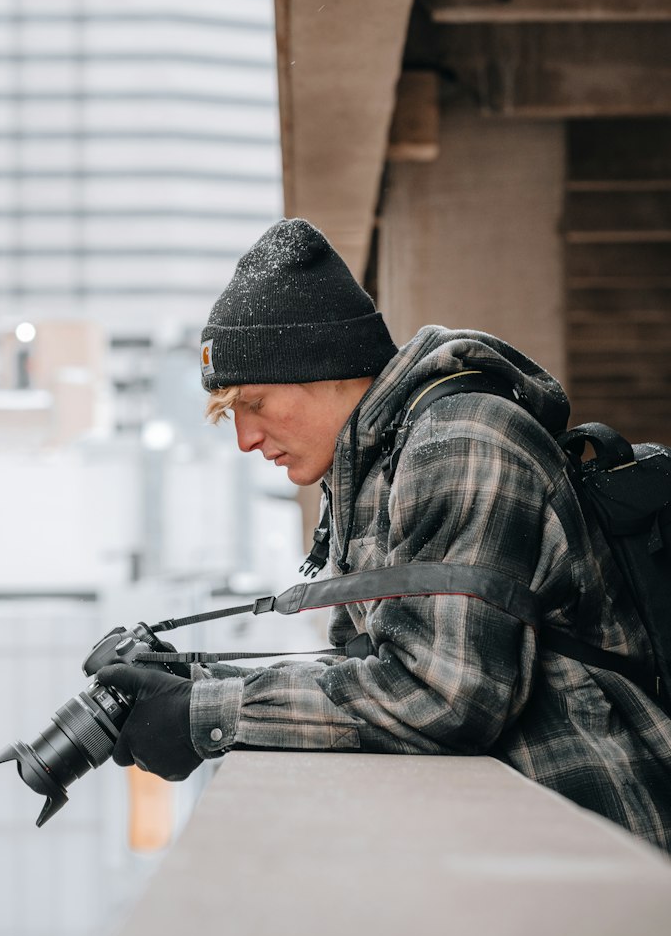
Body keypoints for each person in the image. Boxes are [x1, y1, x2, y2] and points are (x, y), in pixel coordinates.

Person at [98, 218, 671, 850]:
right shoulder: (376, 469)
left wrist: (206, 716)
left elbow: (442, 697)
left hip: (600, 831)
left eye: (254, 404)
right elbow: (372, 670)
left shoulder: (459, 440)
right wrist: (191, 683)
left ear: (324, 367)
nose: (245, 440)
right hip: (519, 843)